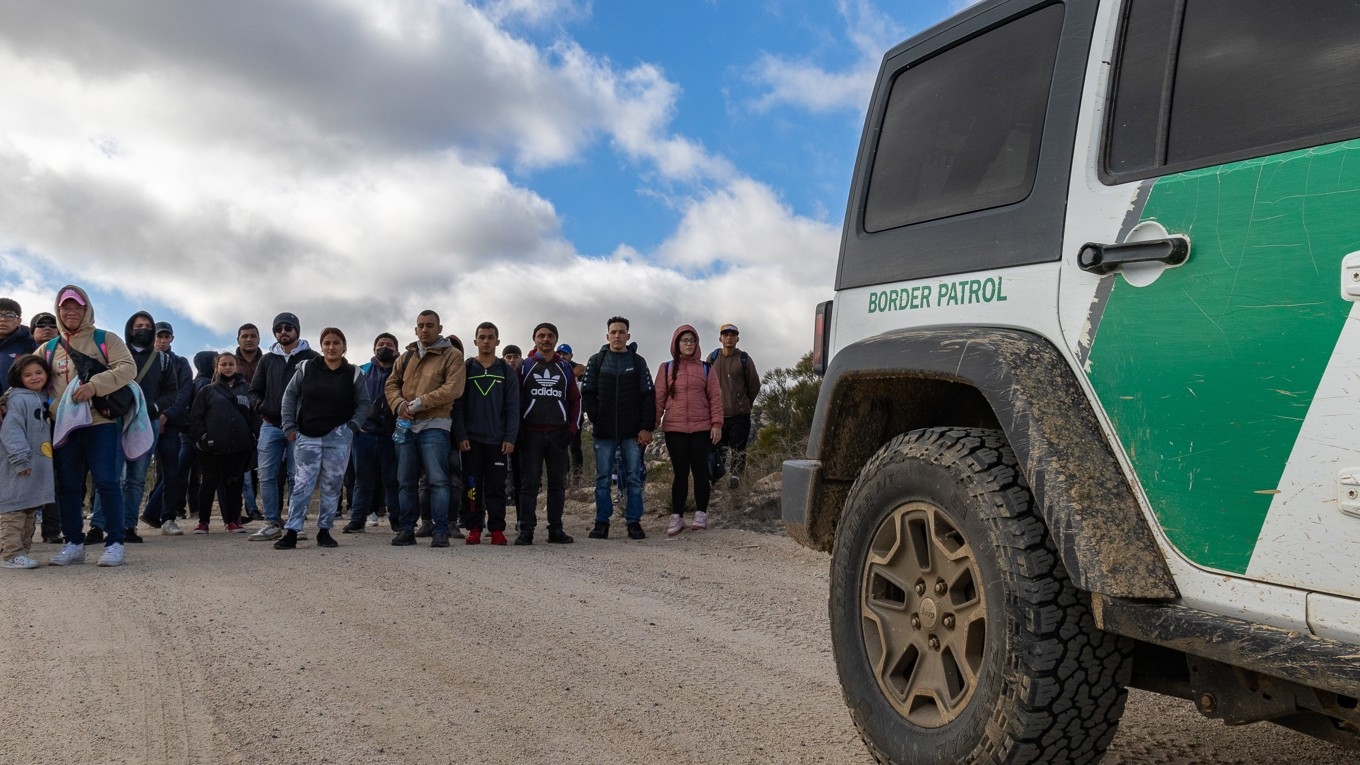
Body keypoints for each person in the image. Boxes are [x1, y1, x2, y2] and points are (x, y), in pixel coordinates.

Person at [43, 285, 137, 567]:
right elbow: (30, 380)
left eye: (77, 307)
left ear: (87, 310)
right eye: (65, 307)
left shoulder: (105, 338)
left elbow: (127, 368)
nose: (71, 312)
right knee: (68, 486)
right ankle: (73, 543)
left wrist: (94, 386)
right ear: (58, 311)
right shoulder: (48, 349)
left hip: (101, 423)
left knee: (107, 482)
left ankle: (115, 543)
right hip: (65, 428)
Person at [275, 327, 368, 550]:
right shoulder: (307, 368)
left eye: (336, 342)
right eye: (326, 343)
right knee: (302, 485)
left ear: (344, 347)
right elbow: (290, 395)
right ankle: (292, 531)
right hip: (307, 435)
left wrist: (352, 427)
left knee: (332, 485)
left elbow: (364, 403)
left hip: (338, 436)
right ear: (321, 346)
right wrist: (289, 425)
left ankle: (324, 531)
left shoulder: (354, 373)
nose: (331, 347)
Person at [90, 311, 178, 544]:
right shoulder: (114, 355)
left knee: (137, 478)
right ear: (130, 329)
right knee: (109, 476)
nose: (143, 329)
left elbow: (172, 392)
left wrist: (154, 408)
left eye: (147, 325)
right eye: (138, 325)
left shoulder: (163, 360)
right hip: (115, 421)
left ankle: (129, 525)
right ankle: (98, 526)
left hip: (146, 423)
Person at [385, 310, 465, 548]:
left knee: (438, 480)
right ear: (415, 329)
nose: (425, 329)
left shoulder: (452, 355)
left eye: (430, 325)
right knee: (405, 481)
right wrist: (399, 405)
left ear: (439, 328)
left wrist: (420, 403)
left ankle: (440, 531)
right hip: (406, 425)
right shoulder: (406, 356)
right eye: (420, 325)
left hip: (436, 425)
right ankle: (406, 530)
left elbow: (454, 388)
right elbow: (391, 384)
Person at [580, 317, 655, 541]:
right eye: (613, 332)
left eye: (622, 332)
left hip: (632, 432)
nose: (617, 336)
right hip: (604, 433)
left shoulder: (639, 362)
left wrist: (646, 427)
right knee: (602, 479)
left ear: (628, 336)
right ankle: (602, 523)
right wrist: (595, 418)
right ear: (607, 336)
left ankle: (634, 523)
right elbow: (587, 393)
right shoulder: (597, 361)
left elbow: (648, 396)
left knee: (633, 478)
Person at [247, 312, 319, 541]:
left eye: (288, 327)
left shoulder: (313, 358)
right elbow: (253, 391)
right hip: (270, 425)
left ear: (297, 330)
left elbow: (321, 391)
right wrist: (262, 406)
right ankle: (271, 522)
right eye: (279, 329)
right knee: (266, 475)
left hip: (300, 428)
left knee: (297, 476)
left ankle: (295, 523)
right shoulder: (267, 360)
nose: (283, 332)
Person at [454, 322, 519, 546]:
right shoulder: (467, 367)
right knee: (471, 487)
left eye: (490, 337)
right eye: (482, 337)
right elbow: (458, 405)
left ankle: (497, 529)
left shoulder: (505, 370)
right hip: (471, 441)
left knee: (497, 488)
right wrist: (460, 434)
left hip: (497, 441)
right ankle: (474, 528)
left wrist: (510, 437)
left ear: (497, 341)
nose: (486, 341)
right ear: (475, 341)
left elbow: (513, 407)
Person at [514, 322, 580, 545]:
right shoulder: (524, 366)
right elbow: (514, 399)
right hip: (530, 434)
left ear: (555, 339)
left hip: (557, 435)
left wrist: (571, 429)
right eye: (541, 335)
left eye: (550, 336)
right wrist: (518, 429)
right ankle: (526, 530)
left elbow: (575, 400)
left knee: (556, 485)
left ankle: (556, 529)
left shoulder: (565, 368)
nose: (545, 339)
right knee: (529, 485)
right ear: (534, 339)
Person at [654, 325, 722, 537]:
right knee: (680, 473)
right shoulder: (666, 368)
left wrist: (717, 424)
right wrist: (652, 424)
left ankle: (701, 513)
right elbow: (658, 398)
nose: (689, 344)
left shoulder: (706, 369)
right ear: (677, 343)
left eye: (692, 340)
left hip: (702, 428)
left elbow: (716, 397)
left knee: (701, 471)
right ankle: (677, 516)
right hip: (675, 428)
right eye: (685, 340)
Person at [188, 352, 258, 533]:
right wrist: (203, 438)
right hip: (211, 447)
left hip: (239, 446)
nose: (227, 367)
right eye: (224, 364)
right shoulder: (207, 391)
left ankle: (232, 521)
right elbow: (196, 417)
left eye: (231, 364)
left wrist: (253, 438)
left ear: (237, 366)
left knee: (234, 484)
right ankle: (203, 522)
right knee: (208, 484)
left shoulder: (246, 389)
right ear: (217, 367)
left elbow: (254, 417)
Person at [342, 333, 400, 534]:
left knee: (393, 481)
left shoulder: (402, 371)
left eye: (390, 345)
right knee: (362, 481)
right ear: (374, 348)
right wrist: (354, 426)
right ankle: (358, 519)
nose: (385, 347)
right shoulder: (362, 370)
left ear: (396, 349)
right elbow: (349, 399)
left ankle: (397, 520)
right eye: (381, 344)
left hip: (392, 436)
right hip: (364, 434)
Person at [0, 355, 55, 568]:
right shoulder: (17, 399)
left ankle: (23, 551)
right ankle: (10, 554)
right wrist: (20, 459)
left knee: (30, 508)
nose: (34, 377)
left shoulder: (45, 397)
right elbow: (11, 431)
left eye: (39, 373)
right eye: (27, 374)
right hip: (18, 465)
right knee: (14, 509)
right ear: (18, 377)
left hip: (36, 467)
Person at [141, 321, 192, 535]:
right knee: (137, 471)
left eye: (166, 337)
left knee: (172, 471)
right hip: (142, 422)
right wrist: (151, 416)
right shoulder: (140, 360)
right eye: (158, 336)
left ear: (171, 339)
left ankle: (168, 517)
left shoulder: (180, 363)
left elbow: (183, 393)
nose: (162, 341)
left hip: (171, 425)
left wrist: (165, 416)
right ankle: (126, 521)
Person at [707, 323, 761, 488]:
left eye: (732, 335)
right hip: (717, 416)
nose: (729, 338)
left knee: (738, 449)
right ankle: (714, 482)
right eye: (725, 334)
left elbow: (754, 385)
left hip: (740, 415)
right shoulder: (713, 358)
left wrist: (745, 404)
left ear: (737, 338)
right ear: (720, 338)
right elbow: (705, 383)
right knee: (717, 451)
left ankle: (736, 480)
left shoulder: (744, 358)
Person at [27, 313, 61, 544]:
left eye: (53, 325)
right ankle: (21, 534)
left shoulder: (63, 356)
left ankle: (51, 530)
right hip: (24, 424)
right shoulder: (22, 352)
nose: (47, 328)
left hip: (57, 423)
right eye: (41, 325)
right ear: (32, 331)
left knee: (55, 477)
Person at [234, 323, 264, 520]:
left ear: (259, 339)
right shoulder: (230, 362)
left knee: (262, 469)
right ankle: (241, 510)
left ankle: (260, 508)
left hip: (264, 420)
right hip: (237, 422)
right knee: (240, 470)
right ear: (239, 339)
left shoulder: (268, 361)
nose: (249, 339)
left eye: (253, 336)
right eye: (244, 336)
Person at [557, 343, 587, 481]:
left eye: (565, 354)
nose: (562, 356)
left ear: (571, 356)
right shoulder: (554, 367)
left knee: (575, 446)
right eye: (560, 353)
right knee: (560, 446)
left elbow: (585, 384)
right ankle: (564, 477)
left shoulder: (578, 369)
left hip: (575, 412)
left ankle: (577, 477)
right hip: (558, 412)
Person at [0, 298, 36, 395]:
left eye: (10, 316)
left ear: (19, 321)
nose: (3, 319)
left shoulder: (31, 345)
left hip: (17, 404)